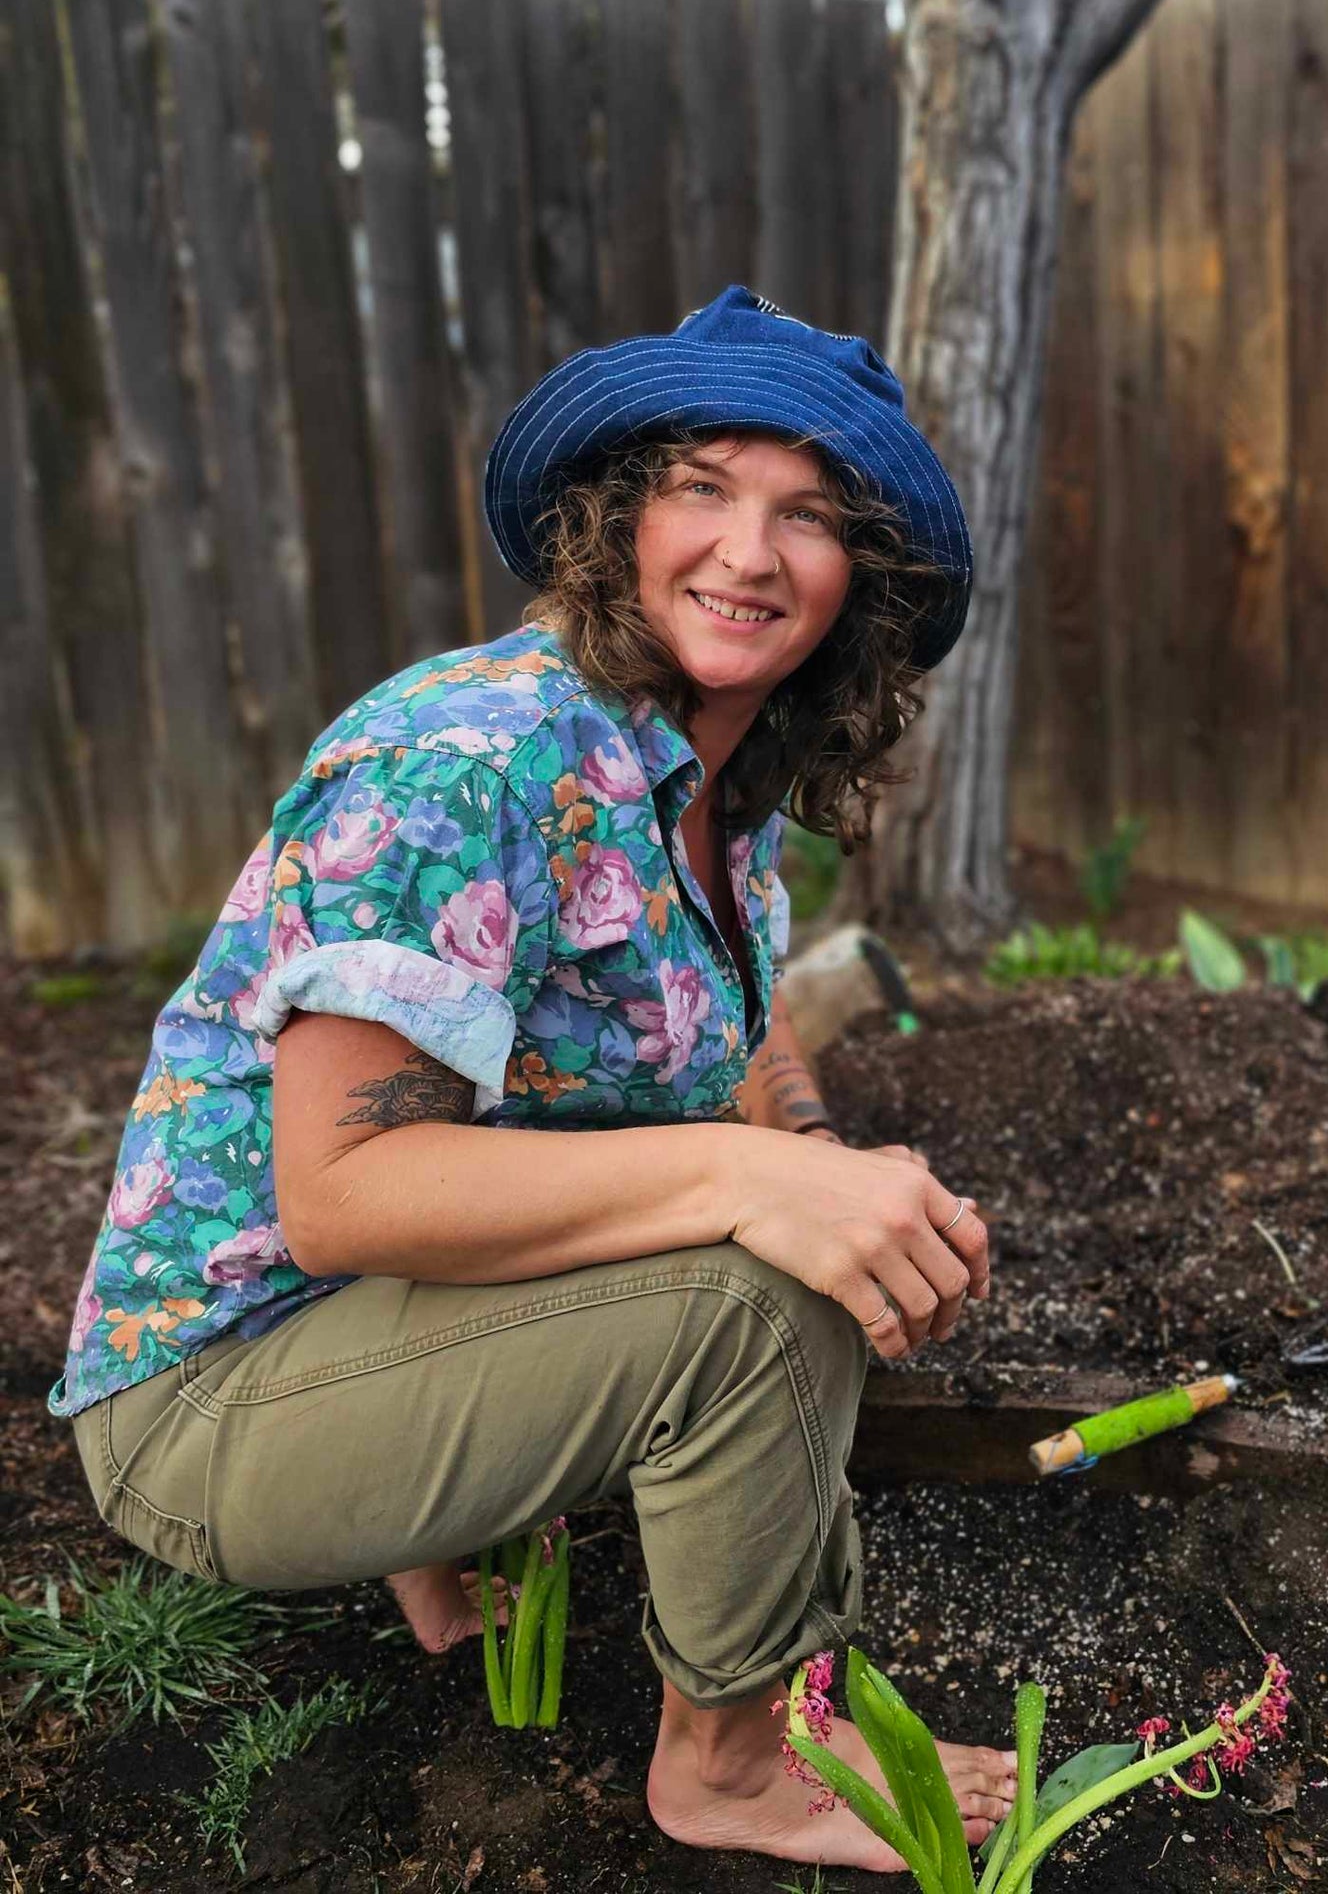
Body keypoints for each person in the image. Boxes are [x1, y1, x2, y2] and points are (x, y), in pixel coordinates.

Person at [49, 287, 1016, 1872]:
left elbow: (722, 1029)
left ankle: (443, 1506)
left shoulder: (705, 774)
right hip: (213, 1399)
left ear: (863, 581)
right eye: (702, 488)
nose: (749, 552)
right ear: (615, 519)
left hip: (382, 1334)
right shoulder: (475, 755)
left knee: (797, 1233)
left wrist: (824, 1157)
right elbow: (339, 1195)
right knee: (751, 1300)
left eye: (810, 517)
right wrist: (754, 1181)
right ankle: (733, 1768)